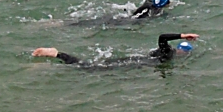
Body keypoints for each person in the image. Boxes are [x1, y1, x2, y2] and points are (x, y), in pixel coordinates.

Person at [32, 33, 198, 68]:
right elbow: (162, 36)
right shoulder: (169, 53)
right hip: (132, 64)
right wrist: (183, 35)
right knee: (89, 68)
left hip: (132, 60)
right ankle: (58, 54)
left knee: (92, 65)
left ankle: (59, 55)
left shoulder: (164, 52)